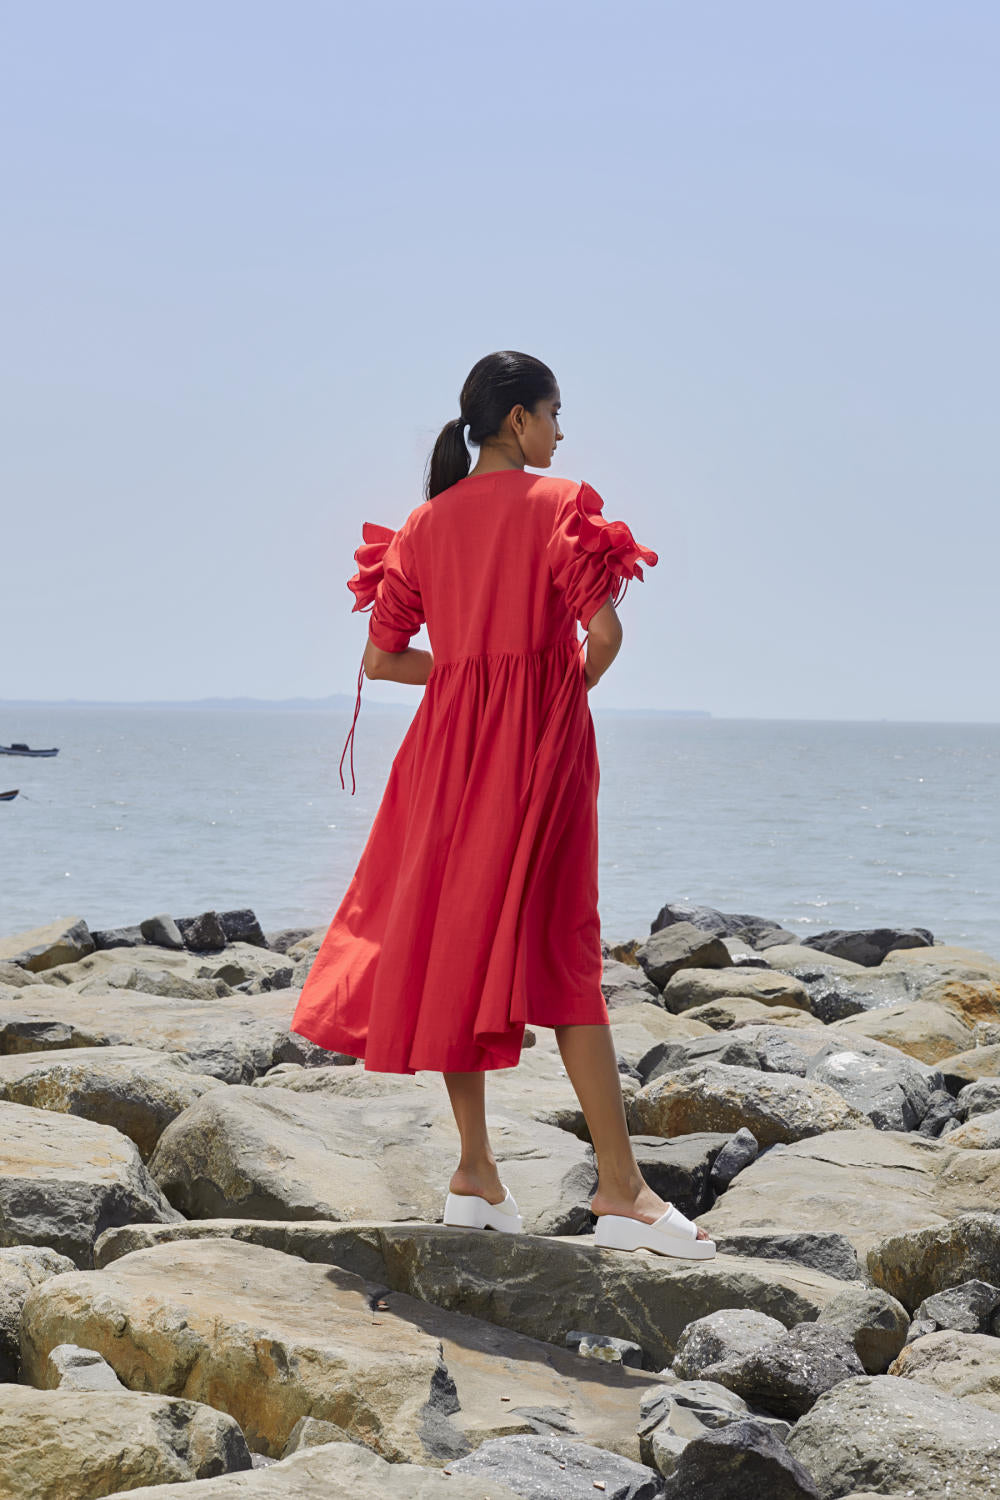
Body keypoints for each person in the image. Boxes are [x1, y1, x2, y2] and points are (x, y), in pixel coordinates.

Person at [291, 351, 715, 1259]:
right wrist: (552, 690)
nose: (562, 434)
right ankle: (621, 1190)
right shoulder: (559, 505)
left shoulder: (424, 523)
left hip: (444, 761)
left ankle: (477, 1173)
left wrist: (472, 679)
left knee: (456, 943)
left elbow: (380, 659)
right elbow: (603, 634)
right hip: (538, 755)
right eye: (557, 415)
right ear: (518, 421)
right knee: (564, 951)